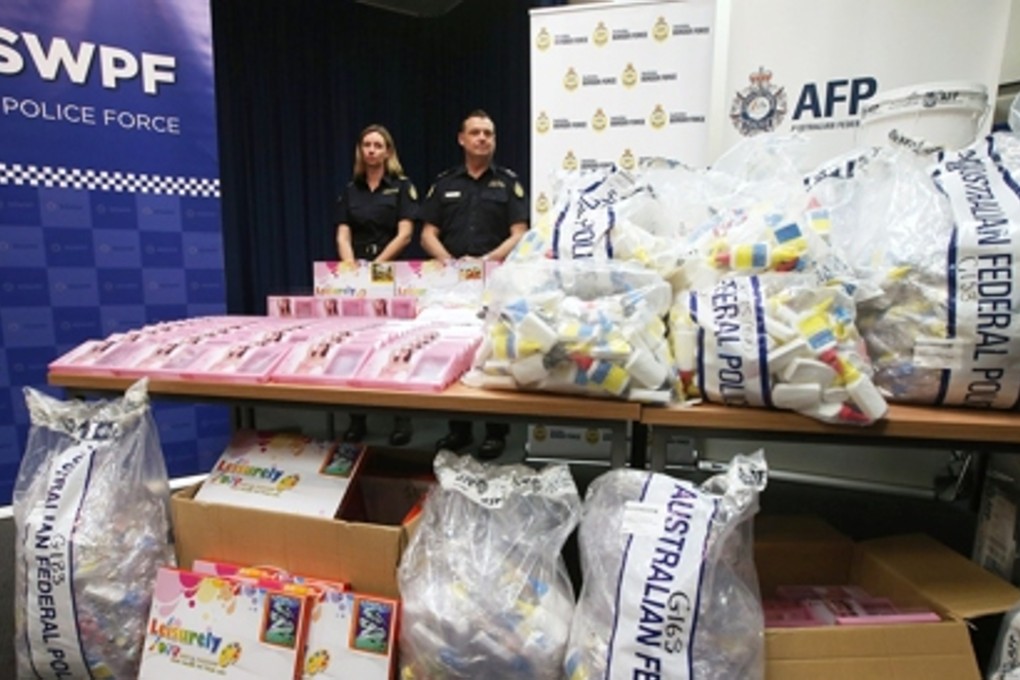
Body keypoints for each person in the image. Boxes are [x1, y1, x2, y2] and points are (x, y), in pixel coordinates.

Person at [420, 109, 528, 459]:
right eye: (476, 132)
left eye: (488, 133)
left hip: (495, 281)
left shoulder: (508, 182)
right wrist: (453, 264)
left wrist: (485, 261)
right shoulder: (444, 184)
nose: (483, 138)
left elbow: (520, 233)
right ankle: (458, 428)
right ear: (462, 139)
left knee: (493, 353)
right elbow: (427, 234)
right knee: (456, 350)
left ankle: (496, 430)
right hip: (452, 284)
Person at [334, 123, 418, 446]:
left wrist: (377, 267)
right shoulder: (350, 190)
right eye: (366, 145)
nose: (371, 150)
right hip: (356, 272)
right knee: (356, 346)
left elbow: (405, 234)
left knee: (395, 345)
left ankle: (401, 419)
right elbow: (343, 234)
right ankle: (357, 419)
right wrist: (351, 267)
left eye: (377, 145)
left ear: (388, 151)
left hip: (389, 271)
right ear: (360, 150)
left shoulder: (401, 187)